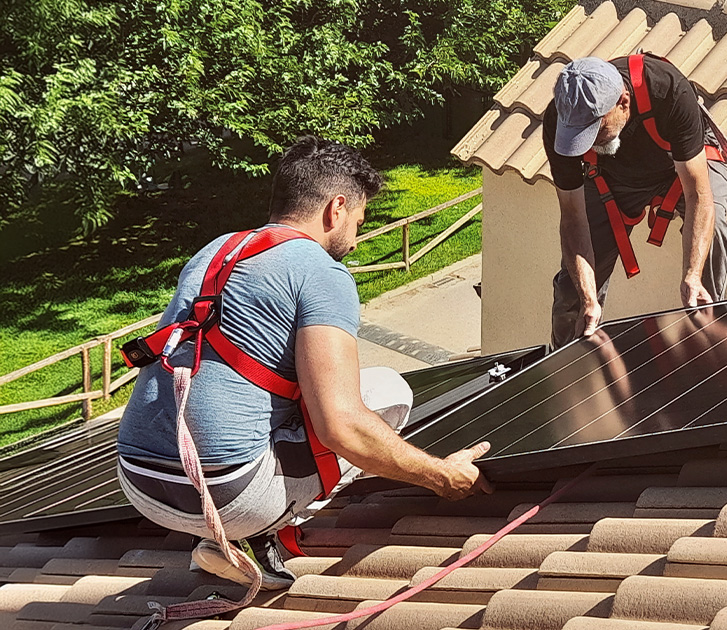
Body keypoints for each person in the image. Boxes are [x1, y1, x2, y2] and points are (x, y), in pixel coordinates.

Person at [116, 136, 493, 590]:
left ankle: (226, 536)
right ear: (335, 208)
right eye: (358, 220)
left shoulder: (216, 250)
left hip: (138, 481)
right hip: (227, 498)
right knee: (387, 390)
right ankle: (251, 536)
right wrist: (440, 474)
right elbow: (342, 426)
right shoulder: (321, 271)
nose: (354, 240)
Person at [542, 54, 727, 349]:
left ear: (623, 102)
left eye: (594, 132)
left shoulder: (669, 92)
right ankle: (567, 367)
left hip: (682, 165)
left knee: (715, 232)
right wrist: (588, 297)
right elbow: (572, 217)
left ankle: (707, 342)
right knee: (573, 289)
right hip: (612, 176)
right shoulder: (561, 121)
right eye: (580, 137)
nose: (587, 144)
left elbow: (699, 195)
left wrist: (692, 275)